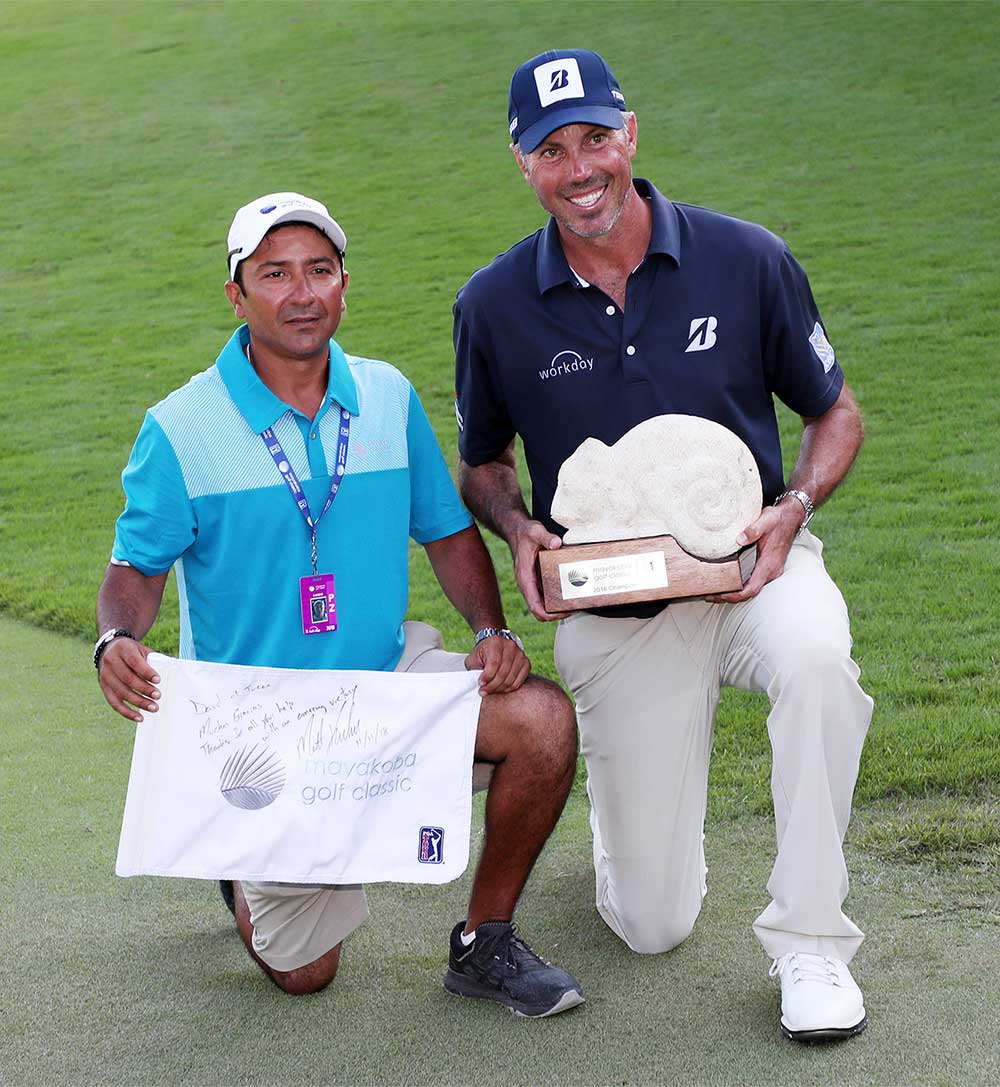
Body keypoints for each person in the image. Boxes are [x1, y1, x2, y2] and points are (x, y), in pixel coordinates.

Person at [453, 51, 874, 1042]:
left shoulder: (745, 257)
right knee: (651, 924)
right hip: (615, 607)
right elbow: (481, 462)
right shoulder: (493, 302)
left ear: (629, 135)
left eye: (594, 139)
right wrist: (516, 527)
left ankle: (810, 943)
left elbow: (834, 412)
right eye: (551, 149)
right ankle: (631, 843)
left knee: (816, 658)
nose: (579, 167)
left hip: (751, 568)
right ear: (522, 163)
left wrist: (796, 506)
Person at [95, 191, 584, 1018]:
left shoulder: (386, 398)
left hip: (382, 683)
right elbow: (135, 569)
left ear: (344, 287)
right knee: (307, 972)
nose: (301, 292)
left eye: (319, 270)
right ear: (237, 295)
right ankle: (239, 860)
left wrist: (490, 628)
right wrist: (114, 638)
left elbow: (446, 532)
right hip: (262, 722)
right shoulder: (180, 428)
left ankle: (486, 939)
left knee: (540, 722)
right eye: (274, 273)